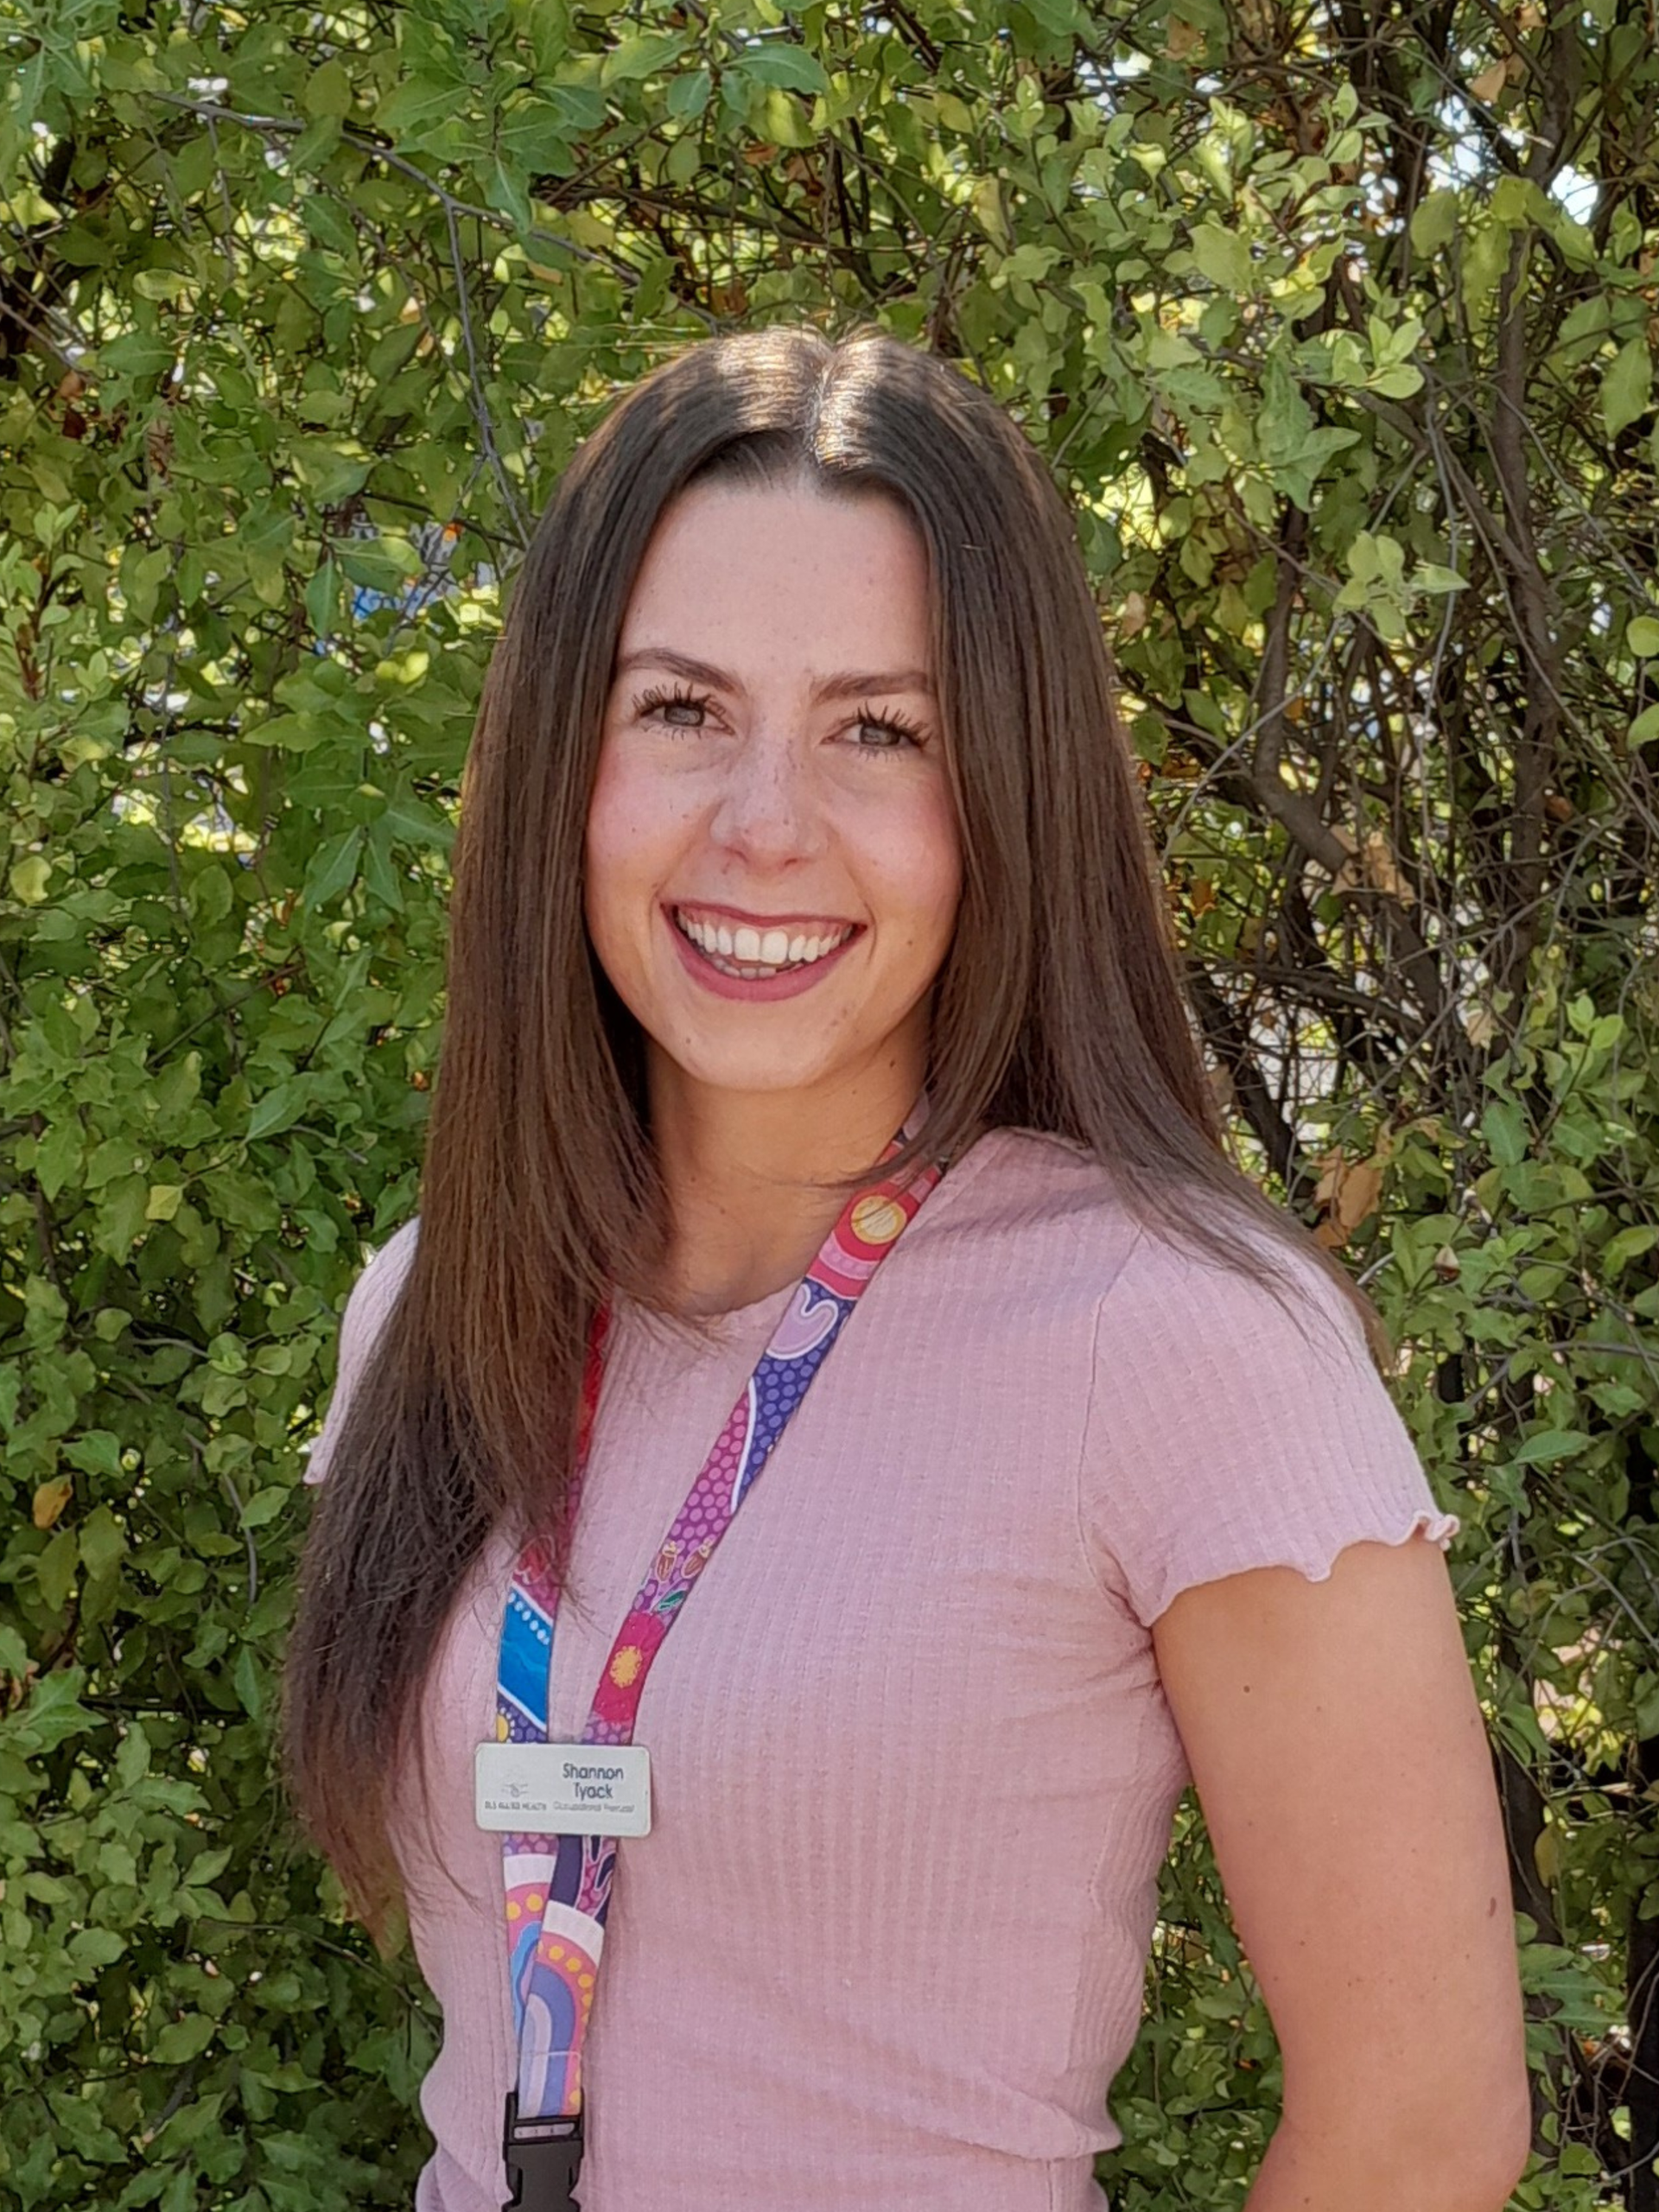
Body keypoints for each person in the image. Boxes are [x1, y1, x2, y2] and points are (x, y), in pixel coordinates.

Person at [283, 326, 1531, 2212]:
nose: (764, 823)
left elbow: (1422, 2129)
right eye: (680, 709)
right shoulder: (436, 1301)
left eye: (882, 729)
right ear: (559, 758)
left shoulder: (1177, 1340)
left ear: (1006, 787)